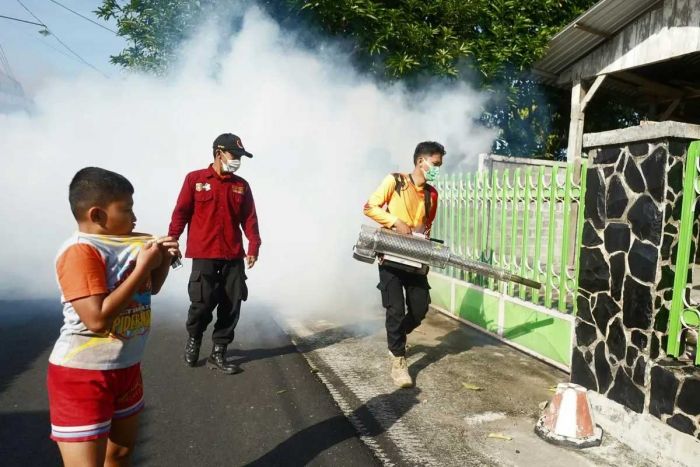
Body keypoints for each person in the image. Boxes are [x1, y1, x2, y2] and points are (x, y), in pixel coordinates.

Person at [47, 167, 179, 466]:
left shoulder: (130, 244)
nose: (135, 218)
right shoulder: (81, 251)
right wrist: (142, 266)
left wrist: (164, 261)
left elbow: (149, 290)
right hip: (83, 374)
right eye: (127, 209)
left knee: (119, 453)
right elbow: (97, 320)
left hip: (127, 367)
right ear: (97, 215)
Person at [169, 133, 261, 374]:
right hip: (204, 254)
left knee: (231, 305)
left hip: (233, 255)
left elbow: (249, 219)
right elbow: (181, 213)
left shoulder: (241, 185)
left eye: (241, 156)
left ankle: (219, 352)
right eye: (235, 155)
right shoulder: (195, 180)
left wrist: (253, 246)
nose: (238, 160)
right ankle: (194, 339)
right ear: (219, 153)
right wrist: (172, 241)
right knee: (201, 303)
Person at [363, 141, 445, 388]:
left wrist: (425, 249)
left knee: (420, 308)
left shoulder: (432, 194)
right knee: (395, 310)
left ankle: (396, 336)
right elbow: (370, 207)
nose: (437, 169)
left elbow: (426, 227)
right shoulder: (395, 181)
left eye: (440, 165)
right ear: (421, 161)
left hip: (415, 257)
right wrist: (395, 221)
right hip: (390, 255)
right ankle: (398, 360)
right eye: (436, 164)